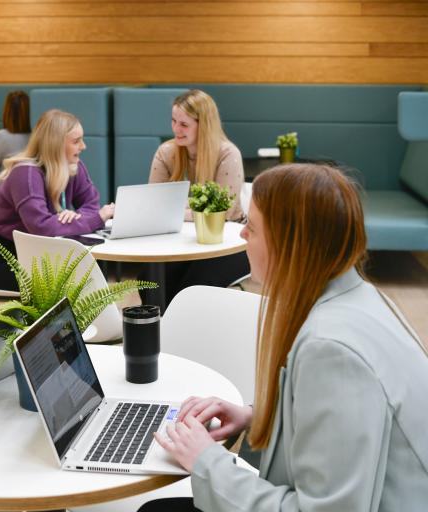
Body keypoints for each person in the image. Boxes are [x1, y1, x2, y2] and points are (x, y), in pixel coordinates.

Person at [143, 164, 428, 512]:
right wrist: (256, 415)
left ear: (288, 243)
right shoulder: (359, 297)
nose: (243, 236)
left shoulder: (332, 351)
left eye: (252, 226)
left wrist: (205, 460)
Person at [0, 109, 114, 291]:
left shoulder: (73, 166)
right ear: (55, 145)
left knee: (89, 277)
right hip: (6, 261)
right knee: (78, 283)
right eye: (76, 141)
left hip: (41, 256)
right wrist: (96, 218)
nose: (83, 146)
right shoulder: (25, 173)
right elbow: (42, 227)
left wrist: (76, 216)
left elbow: (91, 204)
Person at [142, 89, 249, 302]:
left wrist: (172, 212)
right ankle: (161, 332)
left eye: (184, 124)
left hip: (227, 243)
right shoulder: (166, 153)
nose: (175, 129)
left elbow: (221, 213)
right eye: (173, 121)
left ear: (204, 125)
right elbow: (153, 205)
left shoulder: (227, 154)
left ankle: (186, 331)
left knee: (194, 284)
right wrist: (187, 211)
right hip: (181, 240)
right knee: (148, 279)